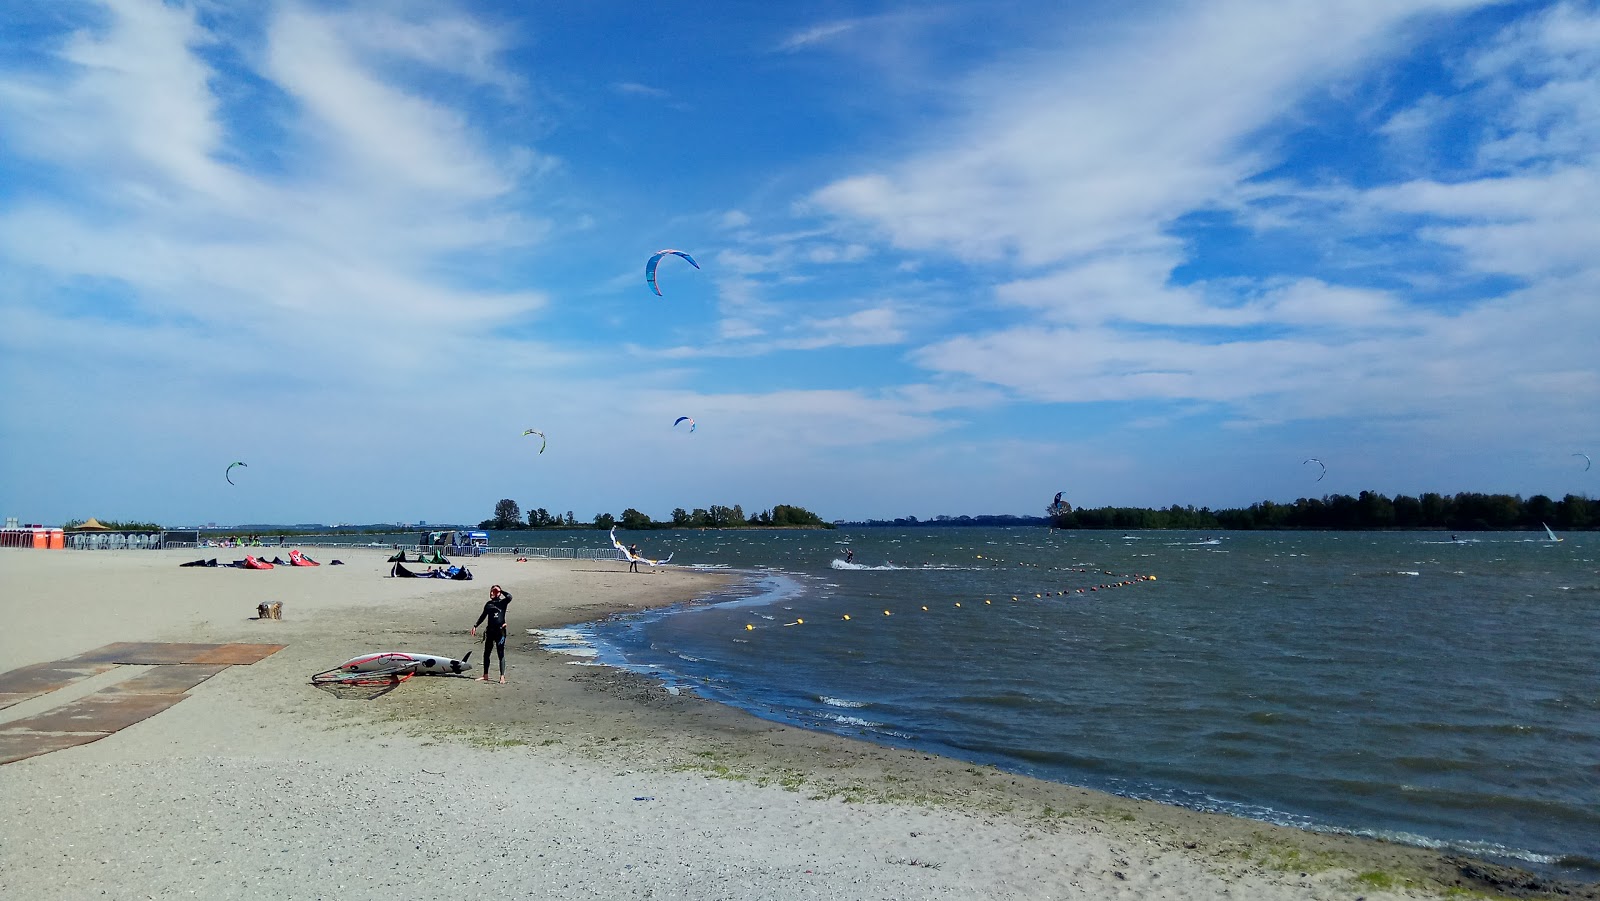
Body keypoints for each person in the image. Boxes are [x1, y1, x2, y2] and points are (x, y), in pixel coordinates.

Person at [470, 584, 512, 683]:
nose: (492, 593)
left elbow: (510, 596)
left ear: (499, 593)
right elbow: (483, 616)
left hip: (500, 632)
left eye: (495, 591)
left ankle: (502, 676)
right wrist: (475, 626)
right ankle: (485, 675)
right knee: (486, 653)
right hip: (490, 631)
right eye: (491, 591)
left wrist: (501, 591)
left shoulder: (503, 602)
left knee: (500, 653)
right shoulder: (488, 604)